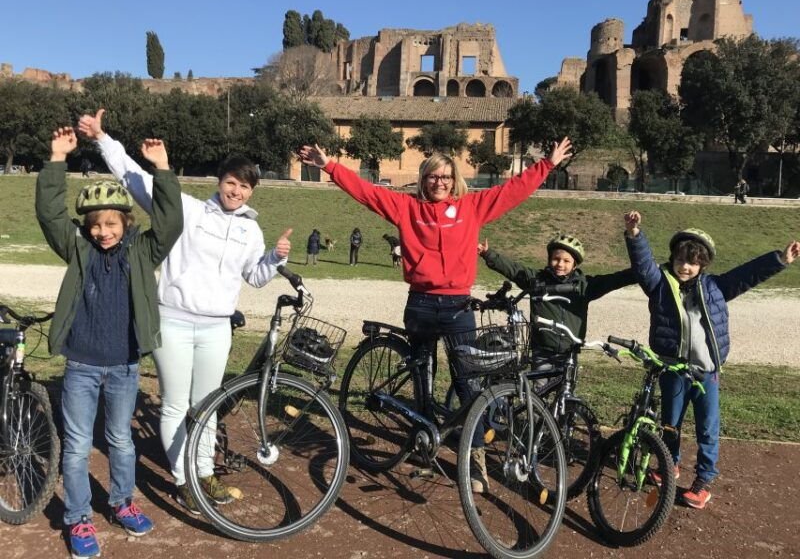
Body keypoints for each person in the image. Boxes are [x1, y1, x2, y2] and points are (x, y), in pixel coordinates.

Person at [299, 137, 572, 493]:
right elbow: (366, 192)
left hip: (458, 306)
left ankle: (474, 461)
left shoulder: (473, 207)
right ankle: (423, 440)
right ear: (423, 179)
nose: (439, 182)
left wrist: (546, 164)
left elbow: (512, 191)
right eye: (432, 177)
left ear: (454, 179)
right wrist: (328, 165)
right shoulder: (406, 207)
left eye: (445, 177)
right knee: (423, 376)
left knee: (468, 384)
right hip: (422, 304)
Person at [77, 109, 292, 515]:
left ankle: (205, 473)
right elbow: (134, 179)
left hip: (216, 327)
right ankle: (184, 480)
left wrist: (275, 258)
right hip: (173, 320)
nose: (237, 192)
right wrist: (103, 138)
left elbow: (256, 277)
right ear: (220, 181)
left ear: (252, 191)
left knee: (208, 402)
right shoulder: (188, 209)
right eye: (232, 183)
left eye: (245, 187)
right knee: (175, 403)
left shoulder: (251, 230)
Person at [36, 127, 183, 558]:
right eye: (96, 225)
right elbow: (49, 215)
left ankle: (122, 502)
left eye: (111, 223)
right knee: (79, 443)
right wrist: (56, 160)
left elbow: (171, 221)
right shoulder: (78, 248)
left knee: (121, 439)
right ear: (87, 227)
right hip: (81, 364)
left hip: (124, 365)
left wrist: (163, 170)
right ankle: (78, 518)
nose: (103, 232)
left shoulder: (142, 251)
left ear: (125, 222)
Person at [623, 210, 799, 509]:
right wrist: (634, 235)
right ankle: (670, 465)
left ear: (702, 265)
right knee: (670, 424)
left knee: (707, 428)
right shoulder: (660, 285)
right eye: (680, 260)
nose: (685, 267)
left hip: (706, 374)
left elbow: (747, 274)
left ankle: (703, 480)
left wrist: (780, 260)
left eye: (692, 262)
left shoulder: (716, 287)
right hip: (673, 370)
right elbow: (642, 265)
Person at [478, 234, 635, 357]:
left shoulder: (584, 286)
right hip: (541, 352)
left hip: (570, 352)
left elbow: (615, 280)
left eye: (566, 261)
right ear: (549, 260)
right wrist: (488, 254)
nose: (560, 264)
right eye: (556, 259)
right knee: (538, 393)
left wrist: (642, 271)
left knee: (565, 395)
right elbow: (512, 269)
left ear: (575, 265)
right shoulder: (536, 280)